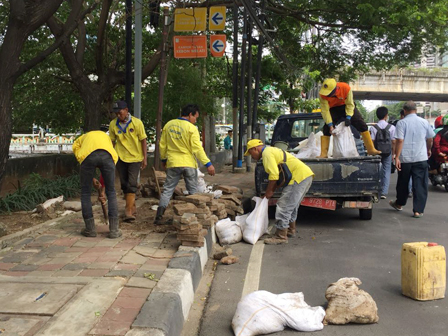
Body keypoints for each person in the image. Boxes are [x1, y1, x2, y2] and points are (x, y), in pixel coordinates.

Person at [154, 104, 215, 224]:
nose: (195, 120)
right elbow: (197, 149)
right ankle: (192, 216)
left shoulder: (169, 125)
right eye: (195, 117)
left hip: (173, 163)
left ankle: (158, 217)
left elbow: (163, 145)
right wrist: (208, 164)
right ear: (190, 114)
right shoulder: (191, 128)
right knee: (192, 191)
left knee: (167, 190)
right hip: (188, 164)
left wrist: (164, 160)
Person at [245, 139, 314, 245]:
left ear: (255, 149)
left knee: (284, 206)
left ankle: (280, 236)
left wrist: (269, 192)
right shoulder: (271, 150)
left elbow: (274, 175)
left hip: (298, 178)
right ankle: (290, 230)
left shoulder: (266, 154)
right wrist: (271, 190)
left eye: (251, 153)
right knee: (292, 206)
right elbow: (277, 177)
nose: (252, 157)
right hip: (305, 176)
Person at [389, 101, 434, 218]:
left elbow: (400, 140)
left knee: (403, 183)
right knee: (420, 184)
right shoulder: (424, 122)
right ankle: (418, 210)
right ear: (416, 110)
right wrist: (428, 149)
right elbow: (430, 139)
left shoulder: (401, 123)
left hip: (405, 159)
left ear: (404, 110)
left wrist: (397, 157)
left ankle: (399, 204)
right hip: (421, 157)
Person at [72, 131, 121, 238]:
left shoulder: (82, 138)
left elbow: (75, 147)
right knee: (111, 192)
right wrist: (103, 187)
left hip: (88, 156)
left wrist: (81, 159)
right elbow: (106, 169)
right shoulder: (106, 138)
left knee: (85, 193)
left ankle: (90, 229)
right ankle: (114, 230)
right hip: (108, 156)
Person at [318, 78, 381, 157]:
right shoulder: (322, 95)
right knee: (326, 129)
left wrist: (348, 117)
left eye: (329, 93)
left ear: (336, 89)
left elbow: (350, 104)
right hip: (333, 108)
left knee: (361, 124)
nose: (328, 95)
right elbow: (325, 111)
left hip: (346, 106)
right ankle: (323, 154)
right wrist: (330, 125)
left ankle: (371, 149)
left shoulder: (346, 88)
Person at [109, 100, 148, 222]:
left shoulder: (137, 123)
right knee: (124, 184)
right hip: (120, 158)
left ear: (126, 110)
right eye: (116, 113)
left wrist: (144, 158)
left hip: (135, 158)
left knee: (132, 183)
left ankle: (129, 210)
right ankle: (132, 206)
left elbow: (143, 140)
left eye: (120, 112)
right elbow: (112, 141)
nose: (118, 115)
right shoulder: (113, 124)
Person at [370, 107, 396, 199]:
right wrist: (394, 153)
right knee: (386, 170)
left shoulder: (374, 128)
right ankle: (384, 192)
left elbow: (372, 141)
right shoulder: (392, 127)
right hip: (388, 152)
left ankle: (377, 190)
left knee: (376, 171)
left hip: (377, 152)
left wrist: (372, 152)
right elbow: (393, 141)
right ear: (386, 115)